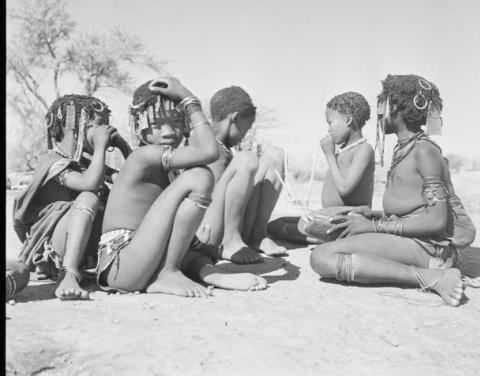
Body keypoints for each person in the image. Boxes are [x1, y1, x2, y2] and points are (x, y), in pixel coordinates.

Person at [310, 74, 477, 307]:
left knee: (322, 257)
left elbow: (437, 221)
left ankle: (431, 277)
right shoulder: (406, 148)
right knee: (332, 236)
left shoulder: (424, 152)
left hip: (428, 247)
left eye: (382, 103)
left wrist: (373, 226)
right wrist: (374, 215)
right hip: (414, 240)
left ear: (395, 108)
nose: (379, 112)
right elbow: (414, 208)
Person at [96, 77, 267, 297]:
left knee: (199, 249)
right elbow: (209, 151)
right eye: (157, 124)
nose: (169, 132)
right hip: (122, 264)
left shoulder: (168, 165)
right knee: (200, 177)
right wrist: (190, 100)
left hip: (144, 258)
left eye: (177, 122)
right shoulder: (142, 156)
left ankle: (209, 274)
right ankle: (168, 272)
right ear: (139, 126)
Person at [12, 95, 131, 301]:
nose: (105, 131)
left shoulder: (90, 163)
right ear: (73, 129)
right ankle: (68, 273)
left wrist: (124, 147)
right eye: (98, 125)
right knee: (88, 198)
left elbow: (133, 185)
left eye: (107, 126)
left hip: (88, 248)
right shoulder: (51, 161)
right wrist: (102, 147)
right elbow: (89, 184)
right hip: (57, 247)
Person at [188, 86, 287, 265]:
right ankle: (230, 240)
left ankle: (258, 235)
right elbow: (206, 197)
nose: (244, 135)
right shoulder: (204, 143)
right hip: (207, 231)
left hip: (226, 220)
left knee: (275, 155)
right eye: (245, 128)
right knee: (246, 160)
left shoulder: (222, 146)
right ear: (235, 118)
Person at [268, 92, 375, 244]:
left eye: (330, 123)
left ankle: (326, 236)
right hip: (329, 216)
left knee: (284, 228)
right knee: (276, 224)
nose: (328, 130)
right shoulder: (343, 151)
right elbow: (337, 183)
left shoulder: (364, 149)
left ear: (348, 120)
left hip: (347, 219)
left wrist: (330, 155)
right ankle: (322, 234)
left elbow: (345, 188)